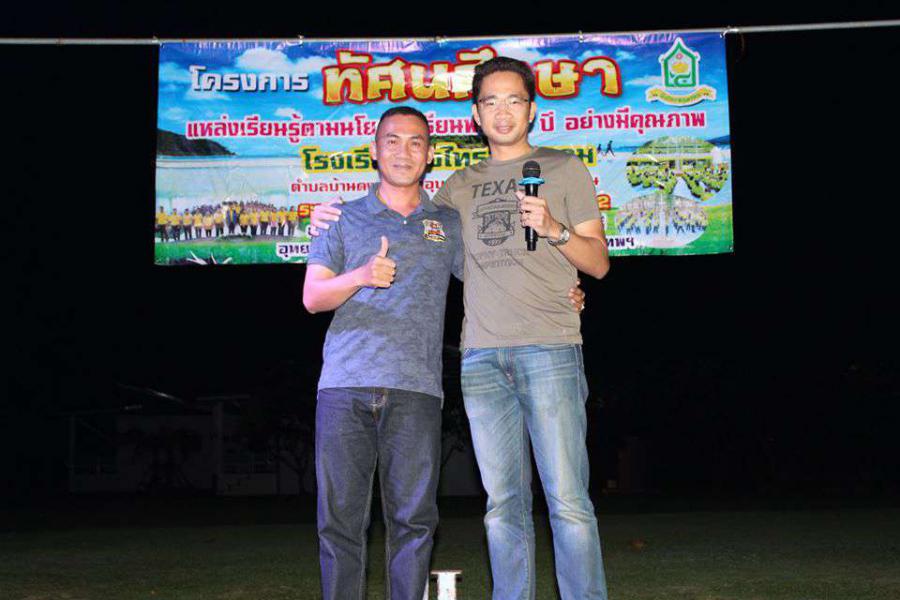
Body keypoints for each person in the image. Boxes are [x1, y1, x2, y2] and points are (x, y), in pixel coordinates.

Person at [312, 56, 609, 600]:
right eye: (491, 102)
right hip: (480, 360)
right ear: (476, 114)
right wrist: (321, 218)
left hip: (549, 348)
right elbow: (404, 222)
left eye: (514, 100)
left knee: (567, 501)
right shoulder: (455, 190)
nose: (503, 112)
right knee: (501, 507)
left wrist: (556, 237)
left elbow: (598, 263)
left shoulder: (564, 168)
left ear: (532, 109)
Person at [303, 106, 463, 600]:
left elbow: (496, 276)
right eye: (392, 140)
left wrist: (563, 293)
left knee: (415, 522)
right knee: (340, 523)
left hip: (416, 389)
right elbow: (313, 297)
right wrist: (360, 276)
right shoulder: (341, 216)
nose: (403, 151)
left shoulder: (448, 223)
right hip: (344, 386)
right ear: (374, 151)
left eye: (416, 142)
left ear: (430, 154)